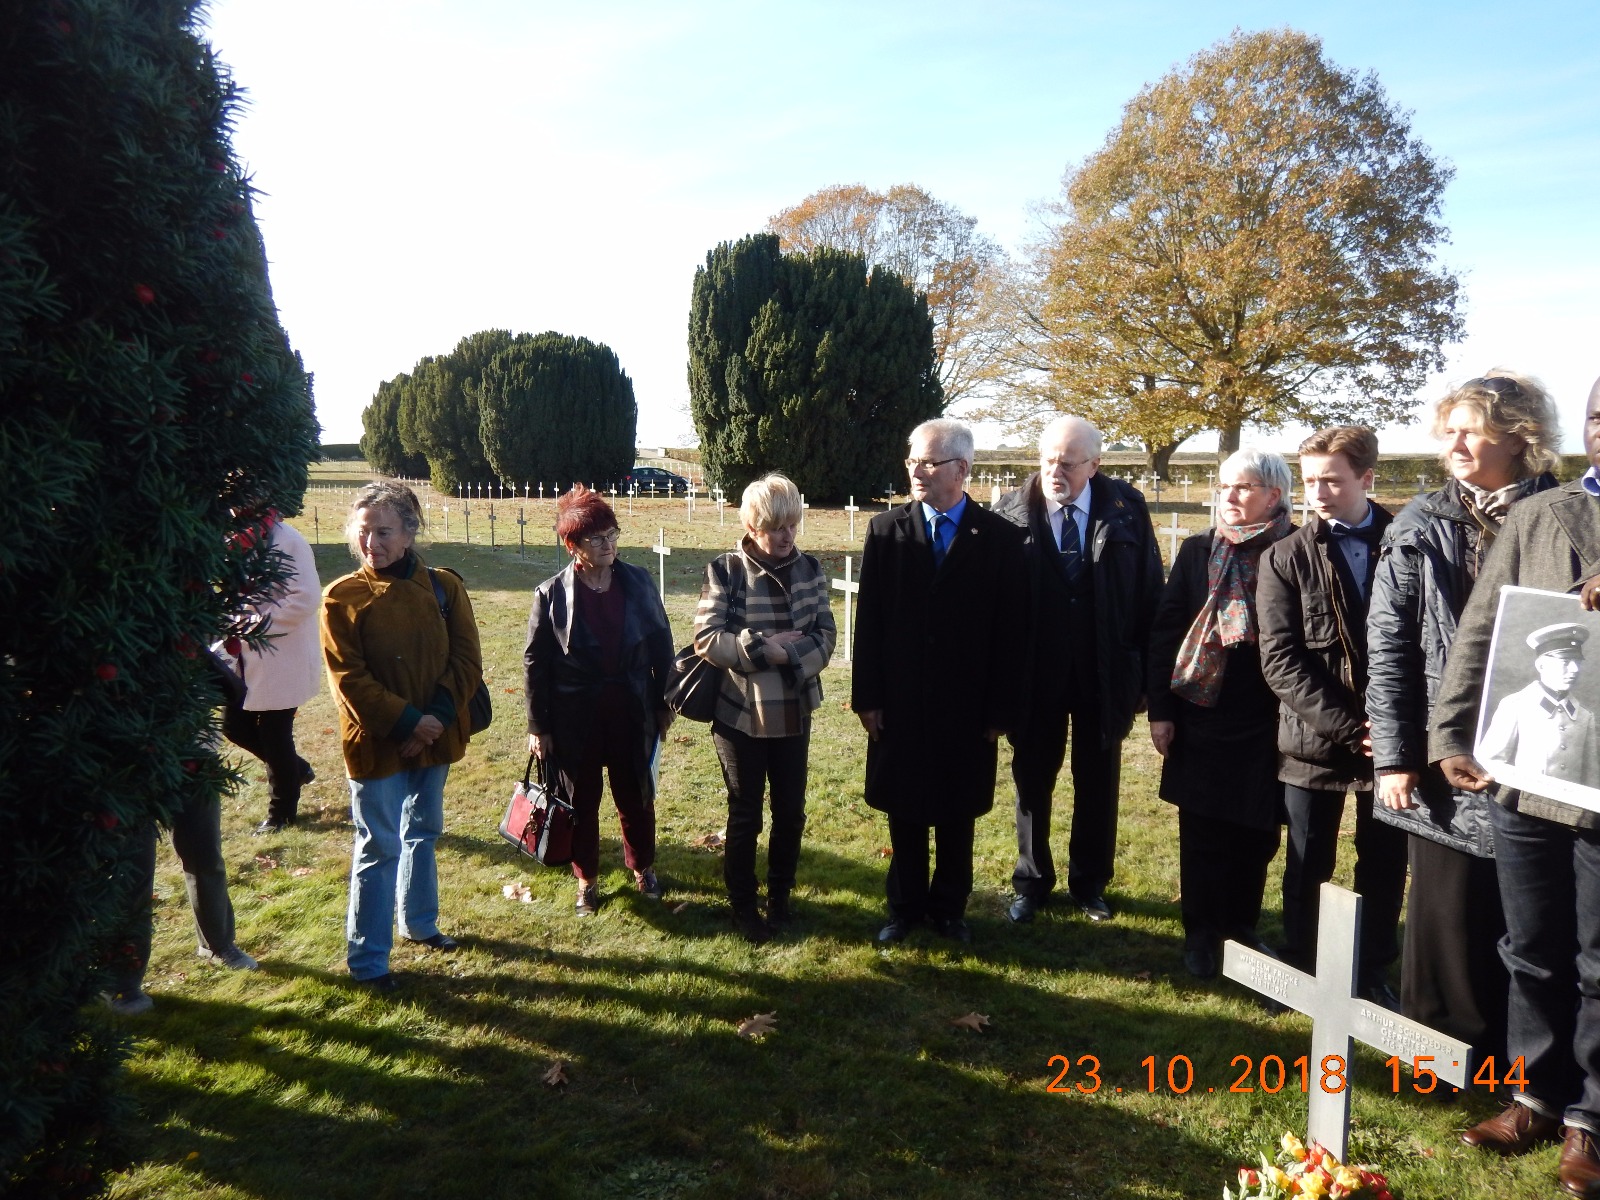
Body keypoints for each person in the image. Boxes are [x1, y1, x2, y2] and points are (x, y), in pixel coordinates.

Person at [1432, 375, 1600, 1196]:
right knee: (1531, 946)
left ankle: (1590, 1122)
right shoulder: (1541, 516)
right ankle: (1533, 1094)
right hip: (1528, 777)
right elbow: (1481, 631)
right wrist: (1449, 732)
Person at [1367, 370, 1561, 1073]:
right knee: (1445, 911)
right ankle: (1441, 1058)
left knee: (1532, 915)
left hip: (1541, 742)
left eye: (1470, 428)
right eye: (1446, 429)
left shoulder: (1564, 515)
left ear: (1519, 436)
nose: (1454, 442)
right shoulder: (1419, 524)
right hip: (1439, 743)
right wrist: (1395, 755)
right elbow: (1387, 647)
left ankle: (1530, 1069)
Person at [852, 418, 1026, 944]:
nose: (916, 471)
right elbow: (872, 623)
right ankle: (903, 908)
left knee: (957, 808)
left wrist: (1000, 712)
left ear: (962, 469)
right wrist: (869, 698)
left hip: (967, 705)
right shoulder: (887, 530)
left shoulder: (999, 539)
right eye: (912, 460)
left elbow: (1011, 632)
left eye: (928, 462)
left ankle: (950, 908)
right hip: (901, 700)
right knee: (904, 807)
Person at [1258, 425, 1406, 1009]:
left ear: (1367, 478)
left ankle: (1371, 968)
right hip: (1312, 742)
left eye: (1332, 480)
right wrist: (1350, 728)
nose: (1318, 492)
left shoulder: (1409, 542)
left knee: (1385, 861)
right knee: (1307, 858)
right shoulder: (1284, 556)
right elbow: (1280, 659)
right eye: (1310, 479)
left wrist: (1390, 731)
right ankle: (1301, 962)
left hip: (1396, 745)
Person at [993, 415, 1161, 924]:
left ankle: (1090, 883)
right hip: (1034, 674)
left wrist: (1145, 675)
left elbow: (1149, 594)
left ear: (1094, 464)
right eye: (1047, 460)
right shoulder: (1011, 512)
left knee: (1097, 780)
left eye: (1067, 462)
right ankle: (1031, 881)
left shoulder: (1126, 511)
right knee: (1032, 777)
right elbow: (994, 607)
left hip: (1104, 670)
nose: (1055, 471)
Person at [321, 482, 481, 991]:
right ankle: (368, 961)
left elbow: (465, 660)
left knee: (423, 832)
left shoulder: (444, 588)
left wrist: (432, 719)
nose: (372, 544)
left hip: (436, 734)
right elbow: (349, 679)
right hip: (376, 741)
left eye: (383, 532)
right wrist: (409, 724)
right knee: (379, 845)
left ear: (410, 533)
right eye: (363, 533)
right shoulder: (341, 598)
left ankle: (420, 923)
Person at [1146, 448, 1292, 978]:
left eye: (1243, 487)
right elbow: (1166, 631)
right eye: (1224, 486)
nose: (1229, 497)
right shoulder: (1198, 550)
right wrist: (1161, 710)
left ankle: (1241, 924)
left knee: (1258, 830)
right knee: (1202, 828)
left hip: (1271, 714)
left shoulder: (1296, 550)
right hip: (1202, 709)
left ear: (1273, 496)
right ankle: (1201, 934)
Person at [693, 473, 836, 942]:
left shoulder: (811, 569)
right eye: (775, 526)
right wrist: (762, 646)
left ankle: (780, 899)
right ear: (753, 525)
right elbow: (707, 639)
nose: (785, 535)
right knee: (746, 813)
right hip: (739, 714)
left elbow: (825, 636)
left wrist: (788, 655)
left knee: (791, 812)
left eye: (791, 524)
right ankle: (742, 905)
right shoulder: (726, 570)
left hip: (794, 711)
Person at [525, 485, 674, 917]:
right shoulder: (550, 595)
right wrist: (539, 727)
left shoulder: (639, 582)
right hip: (576, 719)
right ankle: (586, 880)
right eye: (596, 539)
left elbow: (662, 644)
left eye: (613, 534)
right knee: (581, 803)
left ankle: (642, 867)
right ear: (572, 545)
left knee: (636, 797)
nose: (608, 545)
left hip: (633, 711)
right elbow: (535, 663)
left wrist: (666, 703)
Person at [219, 510, 323, 835]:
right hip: (247, 654)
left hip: (282, 654)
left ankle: (281, 815)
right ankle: (297, 771)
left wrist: (256, 624)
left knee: (275, 734)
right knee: (234, 726)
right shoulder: (235, 538)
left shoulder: (287, 539)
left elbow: (306, 597)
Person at [1479, 624, 1600, 786]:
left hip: (1572, 810)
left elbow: (1591, 777)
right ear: (1541, 666)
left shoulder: (1585, 716)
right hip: (1522, 804)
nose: (1574, 669)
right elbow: (1490, 764)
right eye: (1565, 662)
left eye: (1577, 662)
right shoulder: (1516, 705)